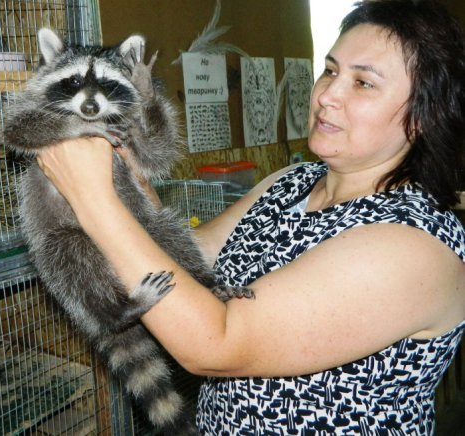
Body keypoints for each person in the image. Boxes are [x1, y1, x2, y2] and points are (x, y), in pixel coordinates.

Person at [36, 0, 465, 433]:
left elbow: (216, 344)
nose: (327, 95)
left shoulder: (413, 244)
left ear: (422, 117)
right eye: (331, 70)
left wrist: (94, 200)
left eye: (364, 83)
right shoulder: (295, 181)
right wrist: (123, 174)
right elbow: (190, 258)